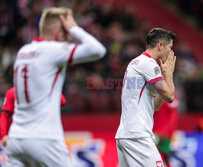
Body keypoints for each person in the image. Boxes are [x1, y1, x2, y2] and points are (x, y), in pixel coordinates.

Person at [6, 7, 106, 167]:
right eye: (66, 32)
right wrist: (74, 28)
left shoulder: (23, 51)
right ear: (57, 31)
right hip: (44, 139)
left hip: (16, 139)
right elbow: (98, 50)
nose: (68, 38)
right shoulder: (52, 50)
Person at [115, 28, 176, 167]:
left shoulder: (136, 63)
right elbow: (170, 96)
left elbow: (155, 105)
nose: (171, 53)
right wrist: (169, 75)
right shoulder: (148, 64)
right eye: (170, 48)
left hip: (126, 134)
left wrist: (162, 75)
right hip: (138, 135)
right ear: (160, 45)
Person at [0, 87, 66, 147]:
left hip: (21, 136)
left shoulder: (13, 91)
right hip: (38, 136)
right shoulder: (44, 90)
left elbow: (4, 115)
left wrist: (4, 135)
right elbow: (62, 101)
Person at [153, 96, 179, 167]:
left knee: (163, 153)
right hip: (157, 130)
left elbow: (173, 115)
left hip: (164, 132)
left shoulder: (170, 95)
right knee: (162, 154)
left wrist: (167, 131)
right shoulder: (157, 94)